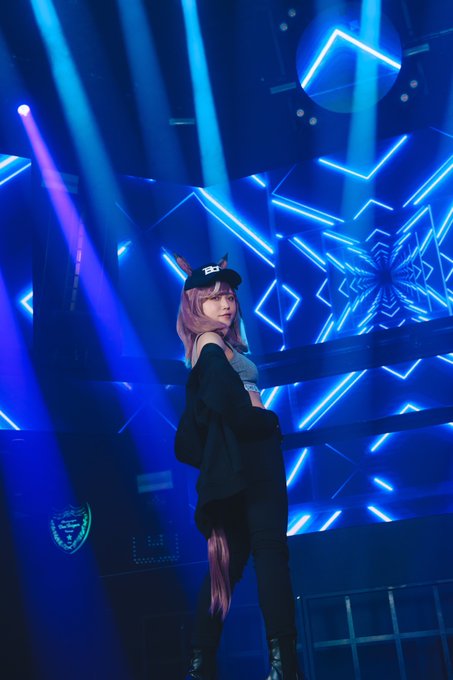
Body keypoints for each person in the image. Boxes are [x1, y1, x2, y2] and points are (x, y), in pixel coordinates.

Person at [174, 253, 302, 680]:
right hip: (254, 455)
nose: (226, 304)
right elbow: (220, 397)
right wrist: (266, 421)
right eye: (213, 298)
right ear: (195, 305)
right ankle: (285, 665)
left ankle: (200, 664)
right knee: (270, 552)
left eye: (228, 296)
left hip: (235, 464)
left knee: (226, 569)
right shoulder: (210, 343)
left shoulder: (214, 344)